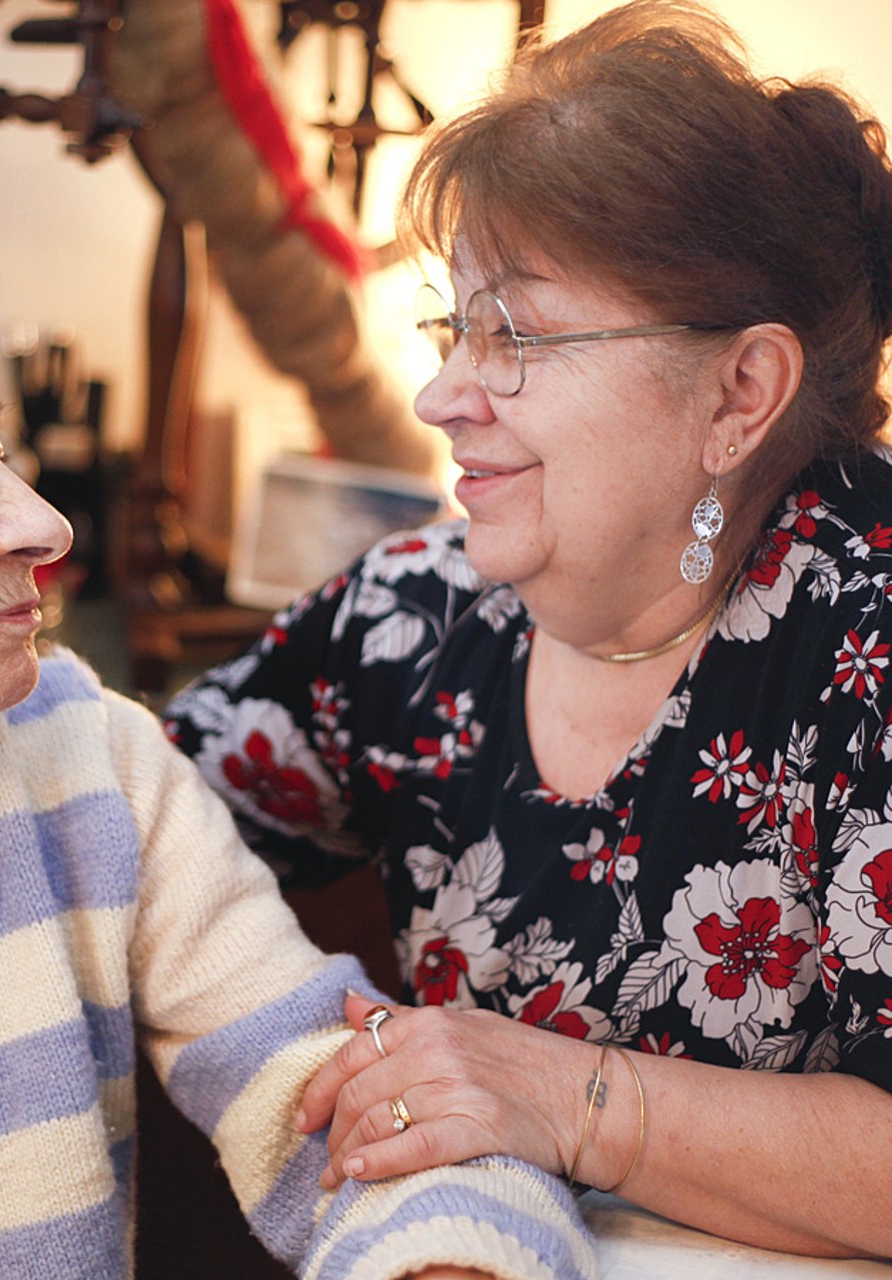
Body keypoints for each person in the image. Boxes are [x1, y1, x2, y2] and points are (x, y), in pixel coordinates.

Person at [0, 211, 595, 1280]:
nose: (44, 523)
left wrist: (448, 1256)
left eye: (2, 458)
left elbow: (348, 1094)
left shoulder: (79, 752)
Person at [164, 0, 892, 1259]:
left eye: (516, 335)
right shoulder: (411, 613)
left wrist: (567, 1099)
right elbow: (130, 832)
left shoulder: (863, 647)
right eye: (455, 328)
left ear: (739, 392)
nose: (443, 396)